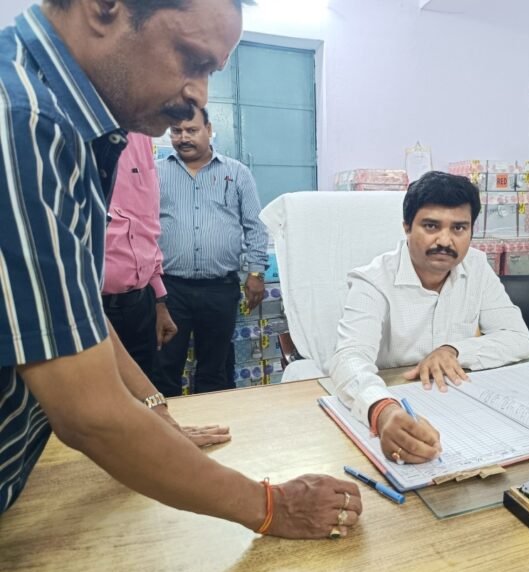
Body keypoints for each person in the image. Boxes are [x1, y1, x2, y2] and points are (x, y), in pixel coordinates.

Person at [0, 0, 361, 540]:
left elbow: (71, 313)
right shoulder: (24, 122)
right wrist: (273, 508)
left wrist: (154, 412)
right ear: (104, 8)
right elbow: (89, 415)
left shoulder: (69, 123)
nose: (199, 96)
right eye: (192, 60)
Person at [328, 171, 529, 464]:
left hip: (460, 407)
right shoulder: (372, 280)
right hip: (395, 398)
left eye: (459, 228)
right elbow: (349, 357)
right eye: (431, 226)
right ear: (407, 227)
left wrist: (453, 350)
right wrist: (382, 409)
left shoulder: (476, 266)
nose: (445, 240)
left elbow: (518, 338)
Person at [153, 106, 268, 396]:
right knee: (165, 365)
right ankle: (168, 423)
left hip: (220, 289)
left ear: (209, 129)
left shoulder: (236, 173)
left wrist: (256, 272)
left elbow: (254, 225)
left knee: (215, 369)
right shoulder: (156, 173)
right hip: (170, 290)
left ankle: (214, 420)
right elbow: (145, 228)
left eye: (191, 130)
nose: (183, 138)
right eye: (176, 131)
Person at [103, 133, 177, 378]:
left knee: (146, 389)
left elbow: (147, 221)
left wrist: (159, 300)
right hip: (87, 307)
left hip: (139, 306)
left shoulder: (140, 136)